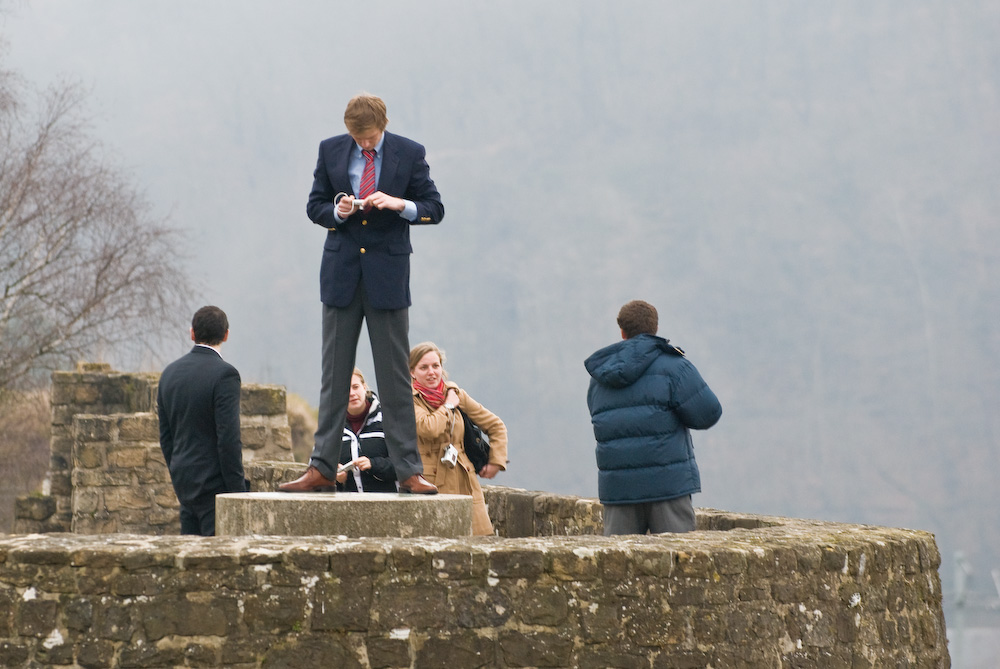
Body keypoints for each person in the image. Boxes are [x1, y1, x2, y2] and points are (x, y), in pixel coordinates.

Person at [281, 93, 443, 495]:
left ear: (382, 126)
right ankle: (321, 467)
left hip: (388, 279)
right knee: (333, 376)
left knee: (393, 380)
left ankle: (409, 471)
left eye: (370, 138)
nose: (364, 145)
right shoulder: (331, 150)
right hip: (340, 276)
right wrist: (338, 211)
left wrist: (398, 204)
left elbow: (434, 207)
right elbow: (314, 206)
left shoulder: (410, 153)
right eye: (358, 139)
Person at [584, 300, 722, 535]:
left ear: (622, 332)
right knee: (679, 564)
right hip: (668, 487)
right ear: (655, 328)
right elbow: (708, 413)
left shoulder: (600, 377)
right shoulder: (675, 368)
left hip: (619, 490)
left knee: (618, 566)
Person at [157, 306, 247, 536]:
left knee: (191, 563)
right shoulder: (225, 375)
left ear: (192, 333)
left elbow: (166, 437)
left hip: (184, 485)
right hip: (216, 489)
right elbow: (228, 438)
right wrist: (238, 494)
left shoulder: (169, 374)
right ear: (226, 335)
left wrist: (178, 473)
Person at [409, 342, 508, 535]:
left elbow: (496, 425)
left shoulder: (455, 394)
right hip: (430, 483)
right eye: (424, 367)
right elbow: (429, 428)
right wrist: (448, 407)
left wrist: (496, 461)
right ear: (412, 372)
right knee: (437, 546)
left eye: (436, 366)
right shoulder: (408, 399)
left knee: (479, 545)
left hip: (465, 481)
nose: (432, 372)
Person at [336, 368, 397, 493]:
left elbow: (404, 464)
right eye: (346, 389)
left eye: (355, 387)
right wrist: (335, 476)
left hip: (388, 505)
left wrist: (373, 464)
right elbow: (316, 467)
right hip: (346, 507)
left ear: (364, 387)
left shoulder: (388, 419)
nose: (352, 393)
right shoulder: (331, 427)